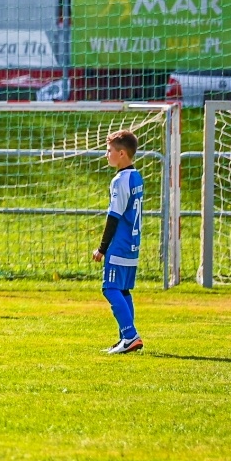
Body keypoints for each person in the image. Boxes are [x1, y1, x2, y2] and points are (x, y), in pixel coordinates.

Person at [94, 129, 144, 354]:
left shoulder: (120, 180)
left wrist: (101, 249)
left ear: (122, 153)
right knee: (123, 290)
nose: (107, 155)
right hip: (133, 244)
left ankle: (131, 335)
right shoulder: (136, 176)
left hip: (120, 244)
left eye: (109, 151)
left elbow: (113, 217)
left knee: (110, 288)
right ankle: (126, 338)